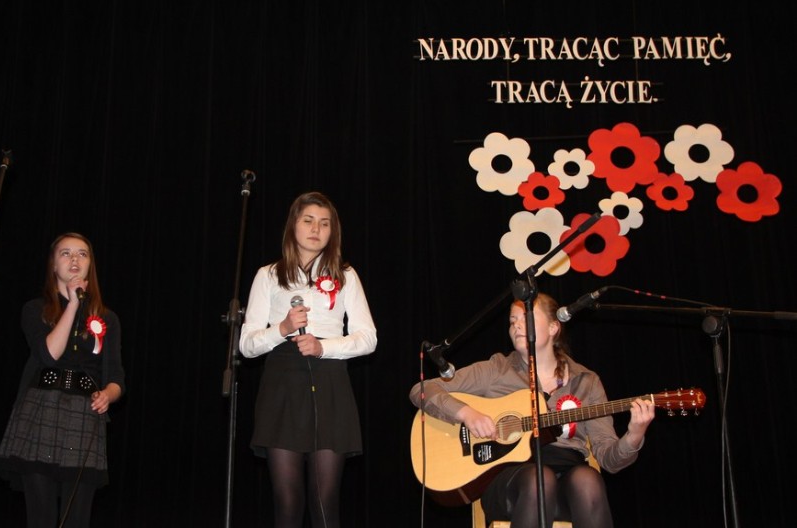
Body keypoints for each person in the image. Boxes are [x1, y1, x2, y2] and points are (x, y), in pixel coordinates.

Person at [409, 293, 655, 528]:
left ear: (553, 327)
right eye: (512, 321)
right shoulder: (497, 369)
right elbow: (422, 389)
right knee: (540, 480)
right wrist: (467, 414)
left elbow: (610, 461)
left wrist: (634, 435)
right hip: (510, 482)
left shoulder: (586, 381)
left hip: (567, 480)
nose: (516, 326)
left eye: (525, 318)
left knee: (588, 480)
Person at [239, 191, 377, 528]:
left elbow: (368, 338)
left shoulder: (346, 275)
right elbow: (247, 345)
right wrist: (282, 329)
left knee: (324, 500)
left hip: (329, 382)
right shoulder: (268, 275)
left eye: (324, 223)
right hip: (282, 384)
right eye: (308, 220)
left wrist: (323, 347)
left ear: (333, 231)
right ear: (293, 226)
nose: (316, 229)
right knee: (287, 501)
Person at [0, 232, 125, 528]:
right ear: (53, 265)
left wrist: (109, 393)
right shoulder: (35, 309)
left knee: (76, 518)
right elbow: (49, 354)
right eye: (66, 253)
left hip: (84, 415)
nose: (74, 259)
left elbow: (116, 377)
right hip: (41, 409)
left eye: (82, 254)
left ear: (90, 265)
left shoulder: (108, 319)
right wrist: (73, 305)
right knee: (40, 517)